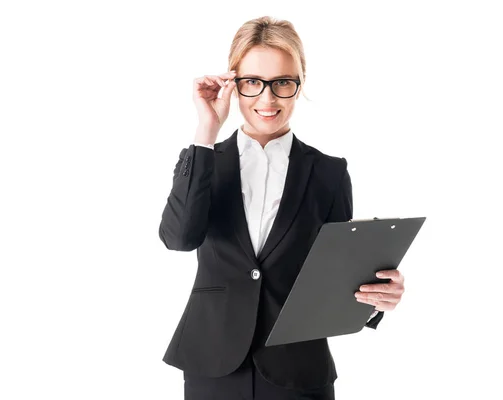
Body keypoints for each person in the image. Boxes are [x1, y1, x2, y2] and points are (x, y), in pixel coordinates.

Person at [158, 16, 405, 400]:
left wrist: (377, 297)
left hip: (299, 371)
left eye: (282, 83)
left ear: (299, 85)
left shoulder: (328, 172)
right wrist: (206, 129)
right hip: (213, 365)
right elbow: (178, 238)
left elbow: (335, 275)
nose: (267, 99)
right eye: (253, 82)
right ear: (233, 82)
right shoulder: (203, 160)